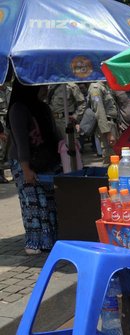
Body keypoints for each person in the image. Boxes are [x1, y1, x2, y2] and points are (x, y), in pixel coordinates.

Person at [8, 81, 61, 255]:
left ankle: (51, 239)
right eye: (41, 86)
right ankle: (35, 241)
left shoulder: (42, 108)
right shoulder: (18, 109)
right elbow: (21, 141)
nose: (46, 89)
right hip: (25, 162)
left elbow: (53, 134)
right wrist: (26, 169)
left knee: (49, 201)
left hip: (46, 161)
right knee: (33, 203)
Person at [88, 82, 118, 165]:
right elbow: (99, 111)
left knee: (113, 153)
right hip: (106, 125)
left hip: (111, 123)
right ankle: (108, 175)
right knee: (109, 155)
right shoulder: (96, 88)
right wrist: (108, 133)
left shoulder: (105, 86)